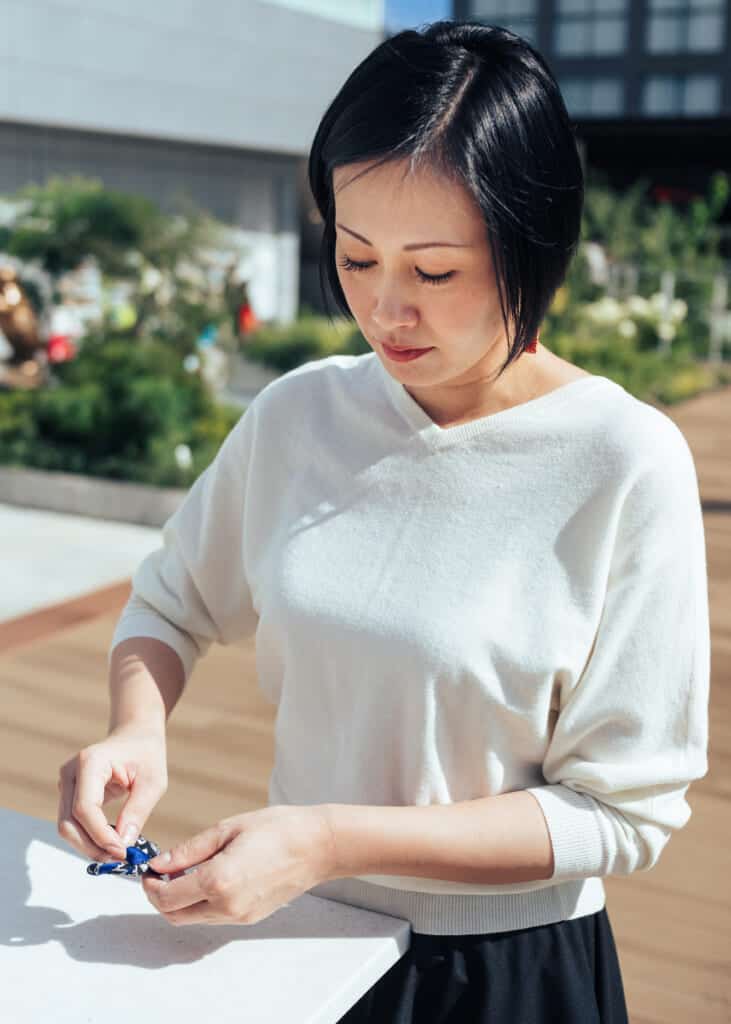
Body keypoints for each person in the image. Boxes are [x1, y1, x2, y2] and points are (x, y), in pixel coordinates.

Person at [57, 19, 710, 1023]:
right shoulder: (300, 413)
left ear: (532, 246)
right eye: (355, 256)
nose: (383, 307)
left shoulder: (621, 461)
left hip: (504, 976)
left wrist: (328, 837)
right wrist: (135, 724)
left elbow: (619, 812)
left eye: (433, 271)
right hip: (297, 943)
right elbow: (171, 600)